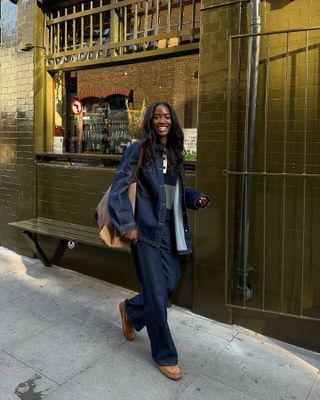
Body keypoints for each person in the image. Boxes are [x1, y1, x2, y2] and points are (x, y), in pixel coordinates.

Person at [108, 101, 210, 380]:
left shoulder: (175, 153)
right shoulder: (138, 150)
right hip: (145, 230)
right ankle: (165, 355)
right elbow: (119, 189)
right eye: (157, 116)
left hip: (171, 230)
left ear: (172, 121)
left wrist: (194, 197)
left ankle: (130, 310)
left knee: (168, 285)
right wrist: (128, 225)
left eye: (166, 116)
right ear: (150, 121)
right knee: (156, 294)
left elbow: (174, 193)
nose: (162, 120)